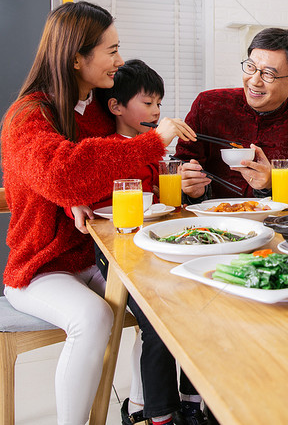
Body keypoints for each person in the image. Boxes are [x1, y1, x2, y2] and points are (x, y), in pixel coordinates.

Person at [0, 1, 196, 425]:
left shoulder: (82, 115)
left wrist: (73, 195)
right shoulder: (28, 117)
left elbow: (92, 169)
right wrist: (152, 144)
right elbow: (64, 171)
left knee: (163, 296)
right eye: (111, 50)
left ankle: (149, 410)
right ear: (76, 57)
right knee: (93, 318)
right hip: (40, 268)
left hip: (89, 258)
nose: (119, 61)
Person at [92, 59, 211, 425]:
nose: (157, 112)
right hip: (117, 249)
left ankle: (193, 401)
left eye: (159, 103)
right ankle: (158, 414)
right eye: (148, 104)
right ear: (116, 106)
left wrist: (184, 186)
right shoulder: (107, 149)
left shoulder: (153, 152)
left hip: (154, 243)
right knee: (159, 320)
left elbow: (163, 199)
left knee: (200, 305)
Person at [178, 28, 288, 202]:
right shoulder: (209, 104)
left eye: (269, 74)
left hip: (275, 221)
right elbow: (181, 163)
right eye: (250, 67)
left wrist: (272, 182)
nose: (254, 81)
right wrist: (191, 187)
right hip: (212, 219)